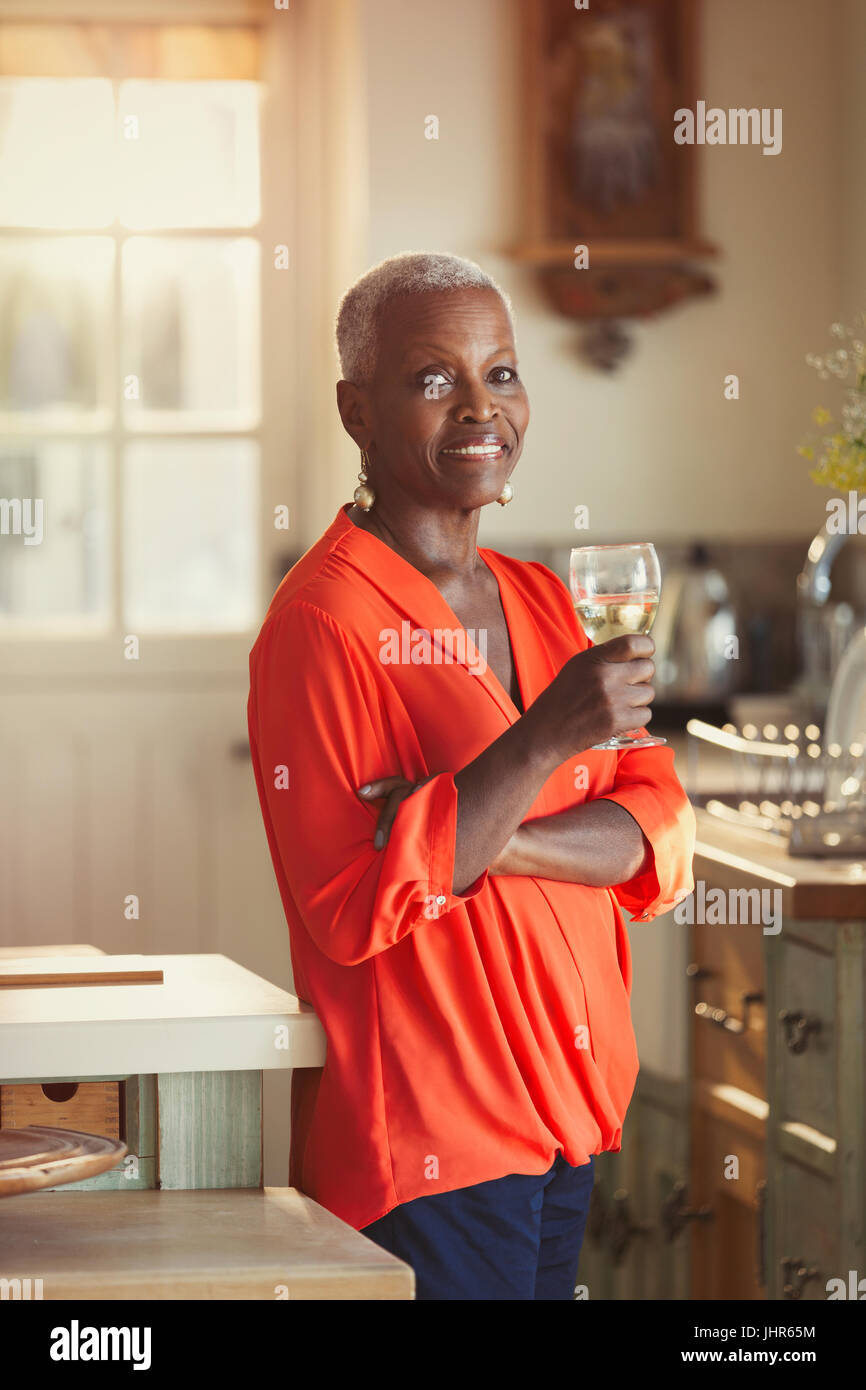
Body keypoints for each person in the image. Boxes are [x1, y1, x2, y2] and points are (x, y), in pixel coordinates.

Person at [247, 251, 695, 1300]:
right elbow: (351, 905)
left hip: (565, 1117)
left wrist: (476, 839)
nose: (478, 408)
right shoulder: (322, 625)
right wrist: (544, 743)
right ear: (357, 410)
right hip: (434, 1141)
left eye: (499, 373)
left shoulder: (540, 597)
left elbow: (661, 827)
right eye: (431, 378)